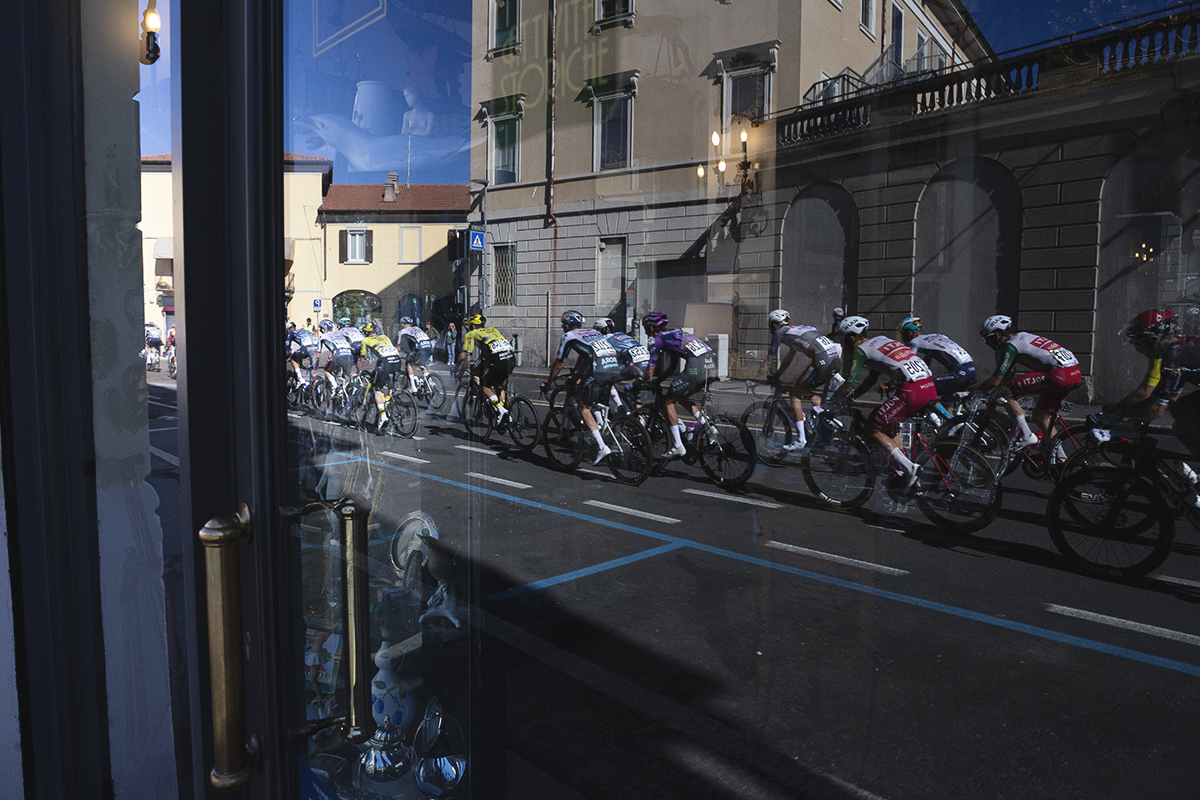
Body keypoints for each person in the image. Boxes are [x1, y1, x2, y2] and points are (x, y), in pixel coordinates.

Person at [830, 316, 936, 485]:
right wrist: (853, 397)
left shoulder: (861, 349)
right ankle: (903, 473)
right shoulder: (881, 340)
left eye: (844, 341)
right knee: (889, 425)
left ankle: (910, 468)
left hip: (911, 391)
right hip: (929, 386)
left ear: (850, 338)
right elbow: (871, 380)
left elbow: (848, 385)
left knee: (873, 428)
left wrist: (831, 402)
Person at [975, 315, 1082, 450]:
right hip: (1074, 373)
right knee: (1041, 417)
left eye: (987, 338)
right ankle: (1061, 458)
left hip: (1059, 375)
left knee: (1007, 391)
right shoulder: (1022, 336)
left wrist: (975, 392)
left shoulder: (1011, 346)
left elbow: (995, 380)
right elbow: (1007, 372)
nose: (986, 343)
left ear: (997, 335)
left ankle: (1026, 435)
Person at [748, 308, 844, 451]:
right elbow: (789, 358)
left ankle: (801, 440)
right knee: (806, 392)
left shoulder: (779, 333)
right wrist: (778, 374)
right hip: (834, 360)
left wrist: (755, 379)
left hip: (821, 362)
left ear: (773, 324)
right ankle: (827, 420)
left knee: (795, 395)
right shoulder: (798, 330)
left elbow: (768, 361)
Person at [541, 310, 623, 464]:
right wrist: (577, 377)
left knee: (583, 408)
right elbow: (586, 357)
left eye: (563, 325)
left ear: (566, 326)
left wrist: (549, 382)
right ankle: (600, 426)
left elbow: (559, 363)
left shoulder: (569, 336)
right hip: (614, 367)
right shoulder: (592, 332)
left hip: (599, 371)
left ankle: (602, 447)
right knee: (592, 399)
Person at [639, 311, 716, 459]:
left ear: (650, 327)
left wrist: (636, 384)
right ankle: (708, 426)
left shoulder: (658, 339)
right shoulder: (676, 333)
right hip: (711, 365)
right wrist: (658, 381)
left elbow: (649, 372)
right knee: (681, 396)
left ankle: (677, 445)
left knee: (668, 402)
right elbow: (673, 367)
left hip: (695, 368)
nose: (645, 330)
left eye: (645, 327)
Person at [895, 316, 975, 409]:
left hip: (959, 373)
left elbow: (908, 361)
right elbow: (927, 361)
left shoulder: (915, 341)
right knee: (945, 404)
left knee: (925, 391)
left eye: (903, 334)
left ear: (909, 333)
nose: (902, 338)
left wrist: (893, 380)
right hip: (971, 371)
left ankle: (963, 396)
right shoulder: (938, 336)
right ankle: (953, 418)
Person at [459, 314, 516, 426]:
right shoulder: (493, 330)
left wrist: (460, 371)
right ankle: (504, 411)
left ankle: (501, 410)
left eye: (469, 326)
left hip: (497, 358)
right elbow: (486, 352)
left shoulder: (471, 334)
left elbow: (466, 357)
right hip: (510, 357)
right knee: (498, 384)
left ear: (473, 326)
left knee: (484, 386)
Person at [594, 316, 646, 414]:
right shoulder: (622, 334)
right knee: (635, 395)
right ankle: (640, 419)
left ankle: (619, 405)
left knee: (607, 380)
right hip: (646, 363)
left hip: (634, 365)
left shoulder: (604, 339)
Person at [358, 321, 404, 431]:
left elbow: (362, 358)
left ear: (366, 332)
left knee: (376, 388)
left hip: (386, 362)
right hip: (397, 360)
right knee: (386, 379)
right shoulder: (385, 337)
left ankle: (383, 416)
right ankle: (389, 398)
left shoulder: (365, 340)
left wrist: (359, 371)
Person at [396, 316, 435, 392]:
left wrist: (397, 353)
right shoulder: (417, 328)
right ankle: (431, 382)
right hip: (429, 347)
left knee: (409, 363)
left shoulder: (402, 331)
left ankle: (413, 387)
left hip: (420, 348)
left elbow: (398, 346)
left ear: (403, 324)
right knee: (421, 364)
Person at [317, 318, 356, 386]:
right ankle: (345, 390)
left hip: (337, 355)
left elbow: (318, 353)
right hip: (349, 354)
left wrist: (314, 364)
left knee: (327, 370)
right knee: (347, 377)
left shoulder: (322, 336)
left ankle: (335, 386)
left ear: (323, 329)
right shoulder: (339, 334)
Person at [286, 320, 319, 387]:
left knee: (293, 358)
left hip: (306, 349)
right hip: (315, 348)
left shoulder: (291, 333)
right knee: (312, 364)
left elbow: (287, 349)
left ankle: (301, 380)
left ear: (287, 330)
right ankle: (313, 382)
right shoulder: (305, 330)